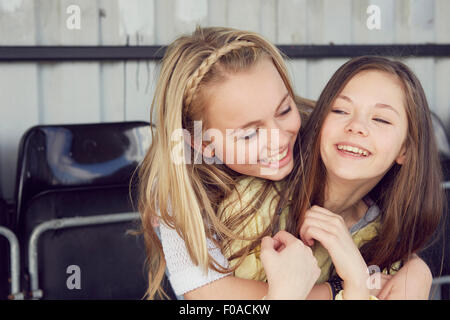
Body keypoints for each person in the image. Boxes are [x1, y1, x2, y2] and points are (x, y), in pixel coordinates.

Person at [138, 26, 319, 300]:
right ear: (204, 143)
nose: (279, 139)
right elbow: (209, 295)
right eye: (249, 134)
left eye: (284, 109)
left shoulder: (323, 131)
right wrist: (332, 290)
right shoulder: (179, 190)